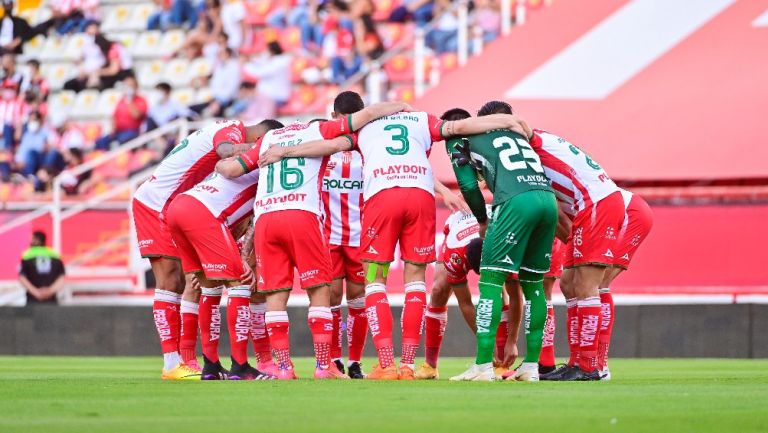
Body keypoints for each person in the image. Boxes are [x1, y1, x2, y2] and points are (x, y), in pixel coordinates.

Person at [256, 95, 528, 380]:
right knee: (415, 281)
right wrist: (510, 122)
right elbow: (459, 128)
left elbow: (332, 146)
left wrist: (283, 152)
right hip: (419, 198)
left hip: (382, 199)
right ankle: (408, 366)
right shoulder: (422, 119)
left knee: (375, 281)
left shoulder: (364, 127)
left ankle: (386, 364)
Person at [216, 101, 411, 380]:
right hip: (303, 216)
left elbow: (233, 170)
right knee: (320, 291)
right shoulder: (318, 132)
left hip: (268, 218)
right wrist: (398, 106)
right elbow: (362, 119)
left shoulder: (269, 138)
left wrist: (219, 163)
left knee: (275, 295)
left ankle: (284, 368)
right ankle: (323, 366)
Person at [132, 118, 276, 380]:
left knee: (193, 283)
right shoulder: (233, 128)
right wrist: (265, 150)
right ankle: (173, 363)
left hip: (176, 203)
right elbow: (224, 151)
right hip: (157, 203)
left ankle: (194, 362)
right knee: (169, 282)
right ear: (262, 138)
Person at [444, 106, 558, 382]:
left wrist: (482, 219)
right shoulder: (513, 132)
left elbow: (469, 187)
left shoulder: (458, 137)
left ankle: (483, 366)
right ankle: (531, 366)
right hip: (547, 200)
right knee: (533, 286)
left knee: (491, 282)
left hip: (515, 201)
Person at [321, 92, 368, 379]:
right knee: (333, 299)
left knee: (357, 301)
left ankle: (355, 361)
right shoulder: (323, 147)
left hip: (360, 237)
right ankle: (336, 360)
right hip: (329, 236)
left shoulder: (369, 148)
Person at [94, 75, 147, 150]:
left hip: (133, 131)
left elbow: (136, 115)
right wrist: (113, 129)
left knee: (122, 140)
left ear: (136, 87)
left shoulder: (141, 100)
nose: (128, 88)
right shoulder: (121, 100)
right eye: (126, 85)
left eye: (130, 86)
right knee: (100, 142)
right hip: (118, 131)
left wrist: (130, 100)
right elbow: (114, 116)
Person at [190, 47, 241, 117]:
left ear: (228, 54)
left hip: (226, 100)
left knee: (210, 112)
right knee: (191, 109)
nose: (219, 55)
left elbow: (232, 87)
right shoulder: (220, 66)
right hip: (215, 99)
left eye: (221, 53)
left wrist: (219, 101)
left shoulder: (234, 67)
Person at [18, 231, 66, 305]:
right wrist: (50, 291)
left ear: (37, 240)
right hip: (51, 300)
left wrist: (36, 292)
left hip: (32, 300)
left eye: (32, 239)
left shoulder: (27, 255)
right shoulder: (55, 255)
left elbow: (22, 277)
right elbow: (61, 277)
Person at [243, 41, 291, 108]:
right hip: (269, 97)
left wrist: (246, 64)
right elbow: (260, 62)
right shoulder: (274, 61)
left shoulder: (278, 63)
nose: (265, 52)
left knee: (248, 104)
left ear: (272, 51)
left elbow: (260, 72)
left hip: (276, 98)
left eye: (266, 50)